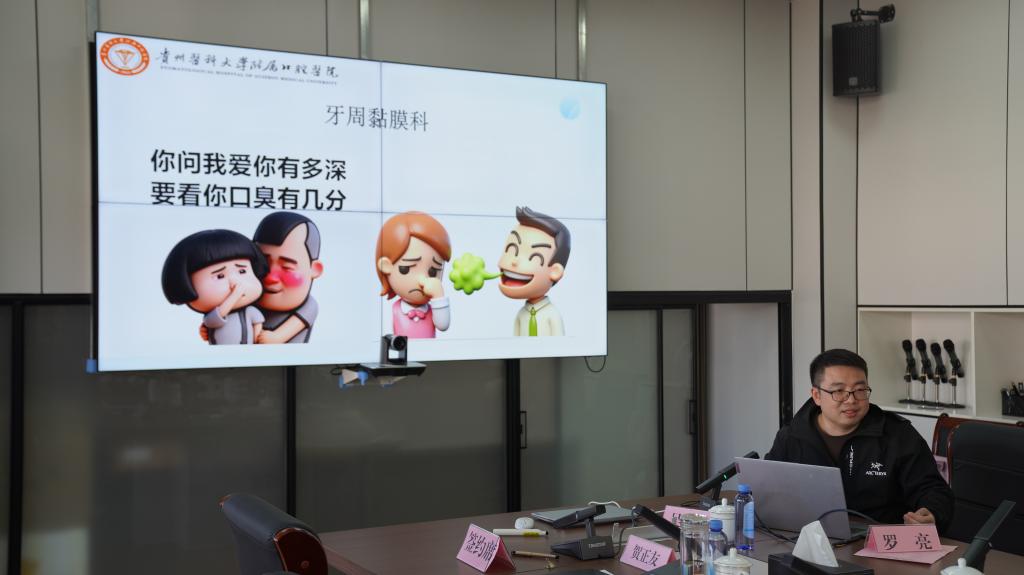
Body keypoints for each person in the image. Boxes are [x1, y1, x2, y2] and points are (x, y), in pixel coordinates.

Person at [766, 348, 954, 532]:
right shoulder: (791, 436)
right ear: (817, 396)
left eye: (860, 390)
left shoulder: (897, 434)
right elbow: (768, 489)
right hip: (808, 537)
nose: (851, 400)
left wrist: (931, 512)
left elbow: (933, 489)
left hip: (881, 540)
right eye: (838, 391)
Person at [162, 229, 267, 345]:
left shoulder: (251, 311)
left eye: (242, 271)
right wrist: (235, 295)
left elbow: (258, 326)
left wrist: (257, 344)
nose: (235, 283)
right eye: (220, 276)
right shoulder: (211, 317)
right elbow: (214, 321)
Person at [376, 211, 452, 338]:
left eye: (433, 272)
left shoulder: (431, 309)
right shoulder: (394, 310)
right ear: (386, 266)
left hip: (429, 351)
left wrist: (439, 296)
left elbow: (443, 325)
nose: (422, 280)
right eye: (405, 269)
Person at [252, 211, 324, 343]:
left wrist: (276, 337)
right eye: (263, 264)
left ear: (314, 270)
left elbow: (280, 337)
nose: (270, 277)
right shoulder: (248, 302)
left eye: (286, 267)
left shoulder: (309, 306)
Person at [498, 206, 570, 337]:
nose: (514, 261)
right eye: (511, 249)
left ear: (555, 271)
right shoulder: (521, 315)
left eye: (535, 257)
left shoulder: (552, 314)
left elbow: (560, 343)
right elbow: (514, 342)